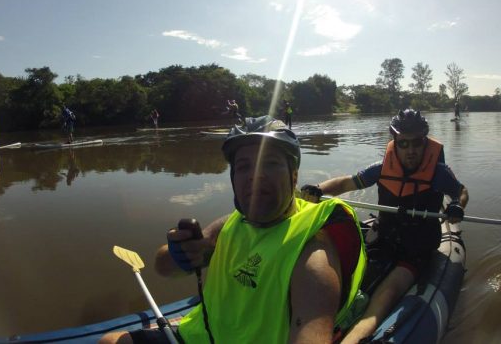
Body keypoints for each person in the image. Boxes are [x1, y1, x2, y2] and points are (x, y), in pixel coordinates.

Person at [100, 116, 366, 344]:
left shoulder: (313, 254)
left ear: (293, 175)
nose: (255, 175)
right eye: (243, 166)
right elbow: (162, 268)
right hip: (204, 334)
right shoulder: (231, 222)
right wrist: (180, 253)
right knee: (111, 342)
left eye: (269, 163)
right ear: (233, 179)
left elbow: (311, 330)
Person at [301, 109, 469, 344]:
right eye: (403, 143)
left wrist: (456, 206)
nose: (411, 150)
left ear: (425, 140)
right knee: (349, 277)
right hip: (384, 238)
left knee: (388, 292)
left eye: (417, 143)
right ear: (394, 142)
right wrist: (319, 189)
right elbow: (345, 182)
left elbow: (461, 192)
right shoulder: (381, 168)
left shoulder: (438, 173)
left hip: (416, 249)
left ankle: (356, 337)